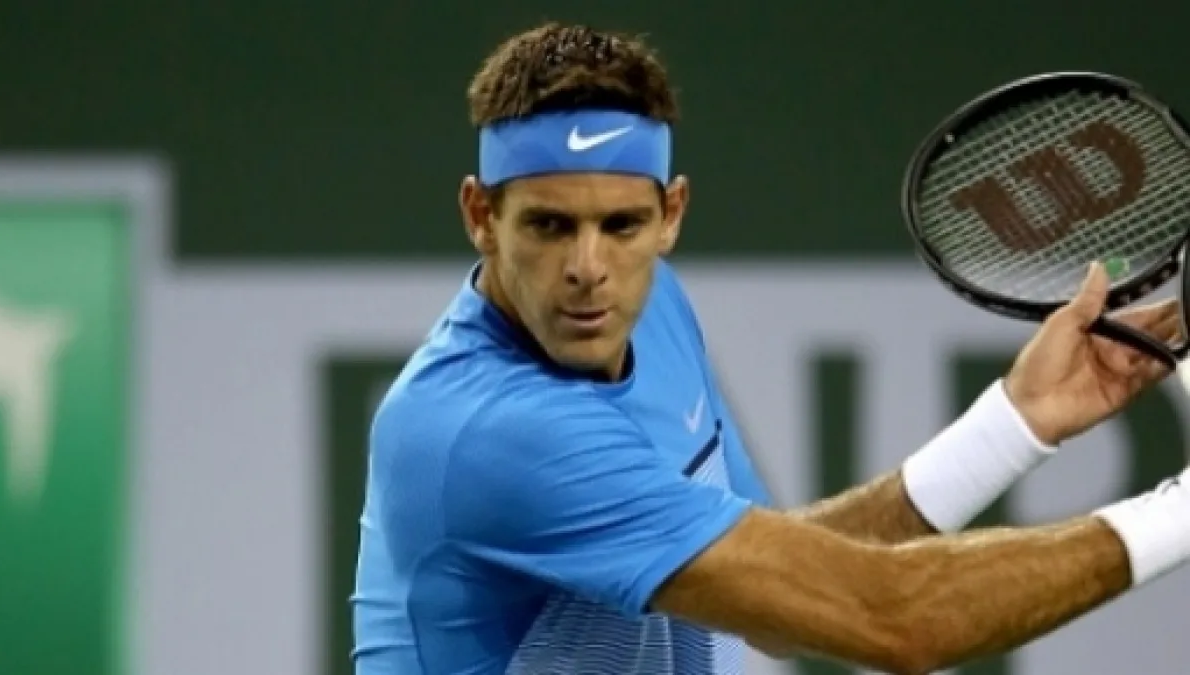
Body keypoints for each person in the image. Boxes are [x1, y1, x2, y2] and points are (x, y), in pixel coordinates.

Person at [350, 22, 1188, 675]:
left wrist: (1012, 424)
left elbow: (769, 600)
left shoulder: (649, 309)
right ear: (480, 215)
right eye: (548, 225)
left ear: (671, 214)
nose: (587, 268)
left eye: (622, 225)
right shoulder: (488, 430)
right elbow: (893, 617)